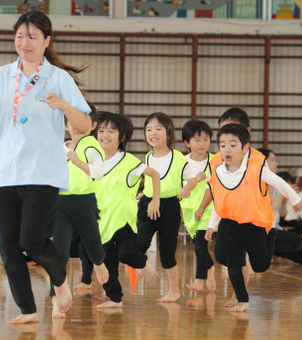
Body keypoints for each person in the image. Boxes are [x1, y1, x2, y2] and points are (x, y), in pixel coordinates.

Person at [0, 11, 91, 324]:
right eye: (20, 35)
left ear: (46, 41)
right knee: (9, 247)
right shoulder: (1, 76)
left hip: (42, 173)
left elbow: (84, 124)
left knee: (32, 241)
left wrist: (65, 106)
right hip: (6, 173)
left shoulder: (58, 78)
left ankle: (60, 283)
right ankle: (28, 310)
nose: (24, 42)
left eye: (32, 36)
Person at [204, 124, 302, 312]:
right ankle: (243, 300)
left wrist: (295, 199)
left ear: (245, 148)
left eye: (233, 145)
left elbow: (279, 183)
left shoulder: (257, 169)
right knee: (233, 264)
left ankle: (272, 233)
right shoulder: (218, 171)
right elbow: (220, 202)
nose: (227, 149)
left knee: (260, 266)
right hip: (230, 223)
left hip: (254, 225)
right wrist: (211, 226)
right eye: (223, 145)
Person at [89, 111, 160, 309]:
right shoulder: (91, 160)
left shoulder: (129, 162)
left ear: (122, 137)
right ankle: (115, 299)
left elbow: (154, 175)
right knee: (107, 264)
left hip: (124, 221)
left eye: (111, 131)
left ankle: (143, 263)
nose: (105, 135)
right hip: (100, 223)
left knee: (126, 254)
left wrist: (153, 198)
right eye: (101, 130)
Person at [50, 108, 109, 318]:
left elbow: (98, 172)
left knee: (92, 242)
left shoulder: (91, 145)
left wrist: (77, 161)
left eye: (82, 120)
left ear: (92, 125)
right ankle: (57, 298)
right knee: (60, 253)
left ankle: (99, 262)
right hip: (60, 203)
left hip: (84, 201)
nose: (75, 125)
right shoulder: (59, 147)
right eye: (71, 121)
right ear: (66, 125)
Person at [137, 112, 187, 302]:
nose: (153, 133)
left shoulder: (180, 158)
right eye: (148, 129)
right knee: (139, 244)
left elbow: (190, 179)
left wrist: (188, 190)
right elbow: (148, 181)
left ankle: (174, 290)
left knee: (168, 252)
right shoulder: (147, 157)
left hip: (170, 207)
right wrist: (144, 194)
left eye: (158, 128)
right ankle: (143, 265)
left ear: (168, 132)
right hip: (149, 204)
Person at [257, 148, 302, 265]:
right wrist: (283, 194)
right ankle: (263, 249)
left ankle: (271, 249)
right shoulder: (259, 184)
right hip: (264, 230)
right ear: (262, 162)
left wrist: (284, 201)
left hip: (277, 228)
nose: (276, 164)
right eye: (272, 160)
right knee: (297, 240)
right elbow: (269, 211)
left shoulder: (275, 183)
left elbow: (282, 214)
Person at [178, 120, 216, 292]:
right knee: (198, 245)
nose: (202, 144)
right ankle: (210, 268)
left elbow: (213, 187)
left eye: (206, 139)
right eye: (197, 140)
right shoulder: (180, 161)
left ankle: (200, 280)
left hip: (209, 208)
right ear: (187, 143)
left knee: (201, 244)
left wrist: (202, 208)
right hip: (189, 210)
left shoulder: (215, 160)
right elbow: (178, 187)